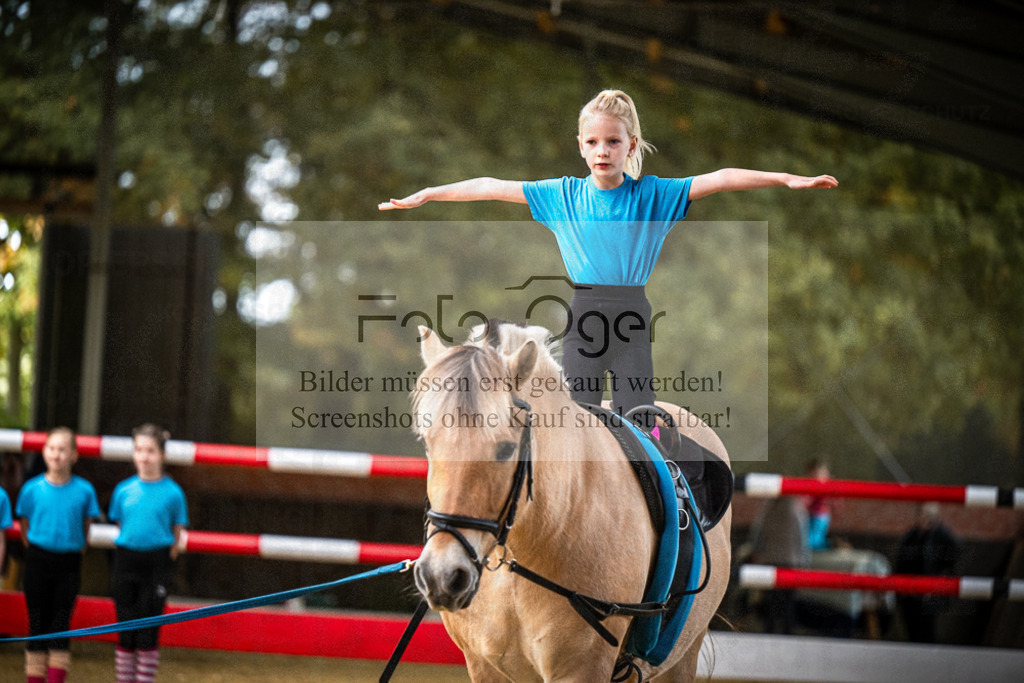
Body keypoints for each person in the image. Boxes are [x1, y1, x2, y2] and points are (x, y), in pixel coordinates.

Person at [380, 89, 837, 428]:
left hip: (632, 317)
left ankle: (665, 502)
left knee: (640, 420)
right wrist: (429, 195)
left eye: (613, 142)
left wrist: (787, 179)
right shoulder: (562, 195)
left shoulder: (655, 195)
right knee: (572, 418)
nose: (603, 151)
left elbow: (720, 178)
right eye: (594, 142)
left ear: (631, 146)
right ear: (580, 146)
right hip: (585, 316)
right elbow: (487, 186)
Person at [15, 427, 101, 683]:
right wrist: (33, 546)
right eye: (52, 448)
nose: (57, 454)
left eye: (63, 449)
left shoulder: (85, 490)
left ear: (74, 455)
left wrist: (78, 545)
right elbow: (24, 523)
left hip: (69, 561)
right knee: (36, 623)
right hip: (37, 560)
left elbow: (87, 523)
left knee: (61, 624)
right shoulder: (31, 489)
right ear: (44, 452)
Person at [108, 424, 189, 683]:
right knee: (125, 629)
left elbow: (177, 530)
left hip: (157, 563)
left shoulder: (174, 493)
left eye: (151, 451)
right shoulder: (123, 490)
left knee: (148, 632)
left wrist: (166, 557)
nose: (144, 456)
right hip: (126, 560)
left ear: (162, 455)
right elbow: (121, 523)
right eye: (139, 450)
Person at [894, 502, 960, 642]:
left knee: (928, 632)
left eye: (931, 516)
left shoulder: (942, 536)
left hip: (931, 592)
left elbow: (953, 557)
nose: (927, 519)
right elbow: (901, 562)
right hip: (910, 593)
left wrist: (940, 580)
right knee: (912, 630)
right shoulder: (911, 536)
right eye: (924, 515)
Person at [745, 495, 811, 634]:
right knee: (789, 601)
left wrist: (756, 551)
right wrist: (804, 562)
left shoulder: (768, 508)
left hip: (771, 559)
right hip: (790, 561)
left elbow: (757, 533)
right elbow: (803, 539)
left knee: (771, 600)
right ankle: (788, 631)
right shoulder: (798, 510)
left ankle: (770, 630)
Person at [803, 458, 833, 551]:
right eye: (812, 475)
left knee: (814, 538)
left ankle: (825, 548)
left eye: (817, 475)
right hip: (812, 515)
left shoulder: (824, 487)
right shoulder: (813, 487)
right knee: (811, 535)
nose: (814, 478)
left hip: (820, 516)